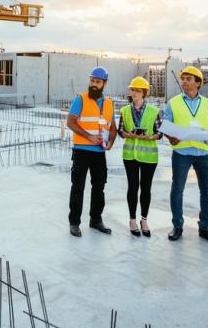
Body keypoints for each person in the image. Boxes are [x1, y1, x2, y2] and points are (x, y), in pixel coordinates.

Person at [165, 66, 208, 245]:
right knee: (177, 190)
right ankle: (177, 226)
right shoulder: (173, 102)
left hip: (204, 154)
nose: (184, 81)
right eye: (183, 78)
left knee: (207, 192)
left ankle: (205, 227)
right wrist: (171, 137)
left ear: (198, 82)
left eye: (188, 78)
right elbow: (166, 125)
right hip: (182, 152)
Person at [65, 66, 116, 237]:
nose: (94, 84)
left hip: (99, 153)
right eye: (92, 81)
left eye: (98, 82)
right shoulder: (81, 99)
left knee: (99, 187)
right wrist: (88, 136)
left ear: (104, 83)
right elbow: (70, 122)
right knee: (78, 187)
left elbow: (113, 127)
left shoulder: (109, 103)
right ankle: (74, 223)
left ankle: (95, 220)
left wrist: (110, 143)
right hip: (81, 151)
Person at [117, 77, 162, 237]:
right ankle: (132, 220)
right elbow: (120, 131)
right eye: (132, 90)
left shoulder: (153, 111)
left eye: (137, 90)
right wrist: (127, 134)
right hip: (130, 156)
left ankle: (144, 219)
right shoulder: (124, 111)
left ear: (144, 93)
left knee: (146, 188)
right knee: (132, 187)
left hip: (149, 157)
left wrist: (149, 137)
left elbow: (159, 133)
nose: (134, 93)